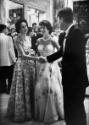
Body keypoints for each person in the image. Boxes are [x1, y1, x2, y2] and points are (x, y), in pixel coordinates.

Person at [39, 8, 89, 125]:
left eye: (58, 20)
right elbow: (62, 51)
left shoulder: (77, 32)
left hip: (76, 80)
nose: (57, 23)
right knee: (69, 108)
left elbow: (78, 59)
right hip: (68, 79)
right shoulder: (64, 34)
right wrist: (47, 58)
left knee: (76, 110)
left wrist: (63, 63)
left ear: (62, 19)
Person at [7, 19, 39, 122]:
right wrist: (36, 58)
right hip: (22, 65)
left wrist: (33, 53)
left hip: (31, 65)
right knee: (23, 88)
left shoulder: (29, 38)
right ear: (18, 29)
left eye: (25, 26)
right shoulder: (17, 38)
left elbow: (29, 52)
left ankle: (32, 110)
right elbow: (23, 55)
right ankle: (22, 112)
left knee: (30, 86)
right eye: (22, 27)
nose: (25, 28)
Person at [34, 20, 64, 124]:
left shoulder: (53, 40)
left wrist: (54, 62)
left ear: (48, 28)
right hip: (40, 67)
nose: (42, 29)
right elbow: (38, 54)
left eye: (44, 27)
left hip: (51, 67)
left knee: (51, 88)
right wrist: (36, 57)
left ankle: (53, 113)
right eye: (40, 27)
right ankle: (42, 112)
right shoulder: (38, 40)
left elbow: (62, 53)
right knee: (40, 88)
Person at [0, 24, 16, 94]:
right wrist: (14, 60)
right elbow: (10, 50)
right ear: (4, 29)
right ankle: (9, 90)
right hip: (8, 61)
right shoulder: (8, 38)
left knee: (1, 77)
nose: (7, 30)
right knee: (10, 77)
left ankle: (2, 89)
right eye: (6, 29)